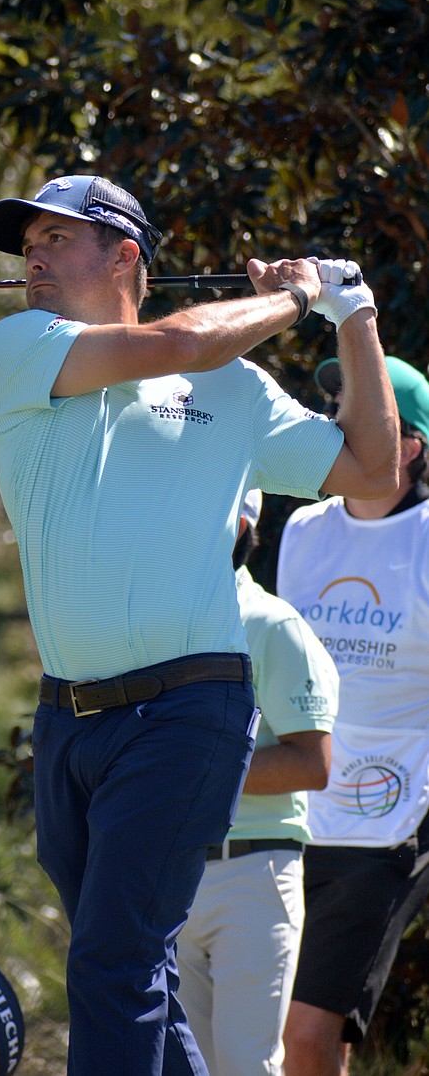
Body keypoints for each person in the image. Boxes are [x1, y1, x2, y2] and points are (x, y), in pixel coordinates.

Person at [0, 172, 398, 1076]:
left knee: (112, 957)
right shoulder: (20, 347)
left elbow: (372, 471)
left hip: (189, 709)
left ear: (125, 253)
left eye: (56, 239)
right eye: (27, 246)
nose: (33, 258)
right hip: (68, 720)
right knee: (133, 967)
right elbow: (169, 340)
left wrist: (351, 312)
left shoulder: (236, 392)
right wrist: (290, 296)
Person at [277, 355, 429, 1076]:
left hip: (390, 819)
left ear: (409, 446)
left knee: (306, 1035)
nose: (338, 425)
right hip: (291, 811)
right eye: (335, 408)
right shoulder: (302, 529)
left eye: (359, 414)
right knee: (282, 1032)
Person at [176, 488, 339, 1076]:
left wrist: (191, 769)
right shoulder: (160, 623)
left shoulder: (275, 626)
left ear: (246, 525)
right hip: (173, 871)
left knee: (247, 1066)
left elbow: (311, 764)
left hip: (254, 873)